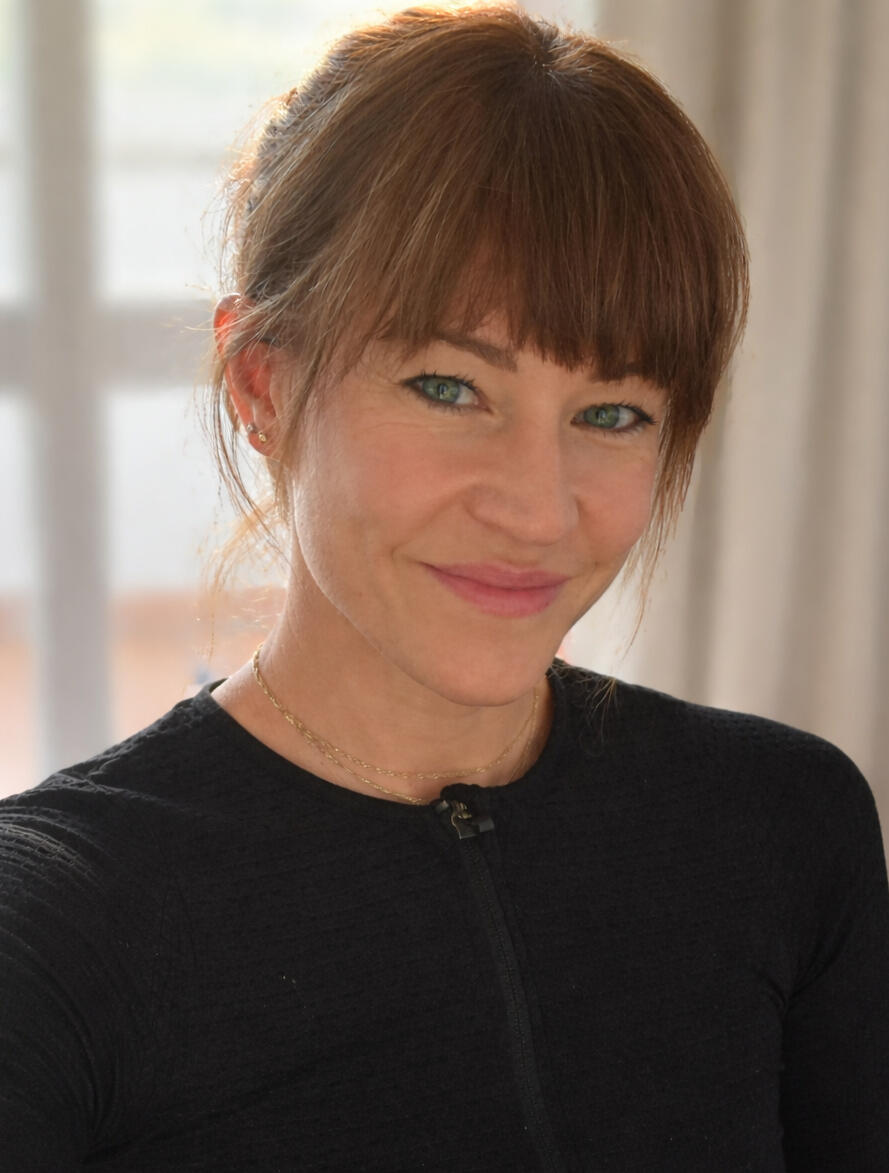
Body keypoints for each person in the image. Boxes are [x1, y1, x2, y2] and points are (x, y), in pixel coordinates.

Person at [2, 4, 887, 1170]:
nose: (538, 508)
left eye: (611, 413)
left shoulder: (784, 825)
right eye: (448, 387)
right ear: (262, 387)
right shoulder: (51, 931)